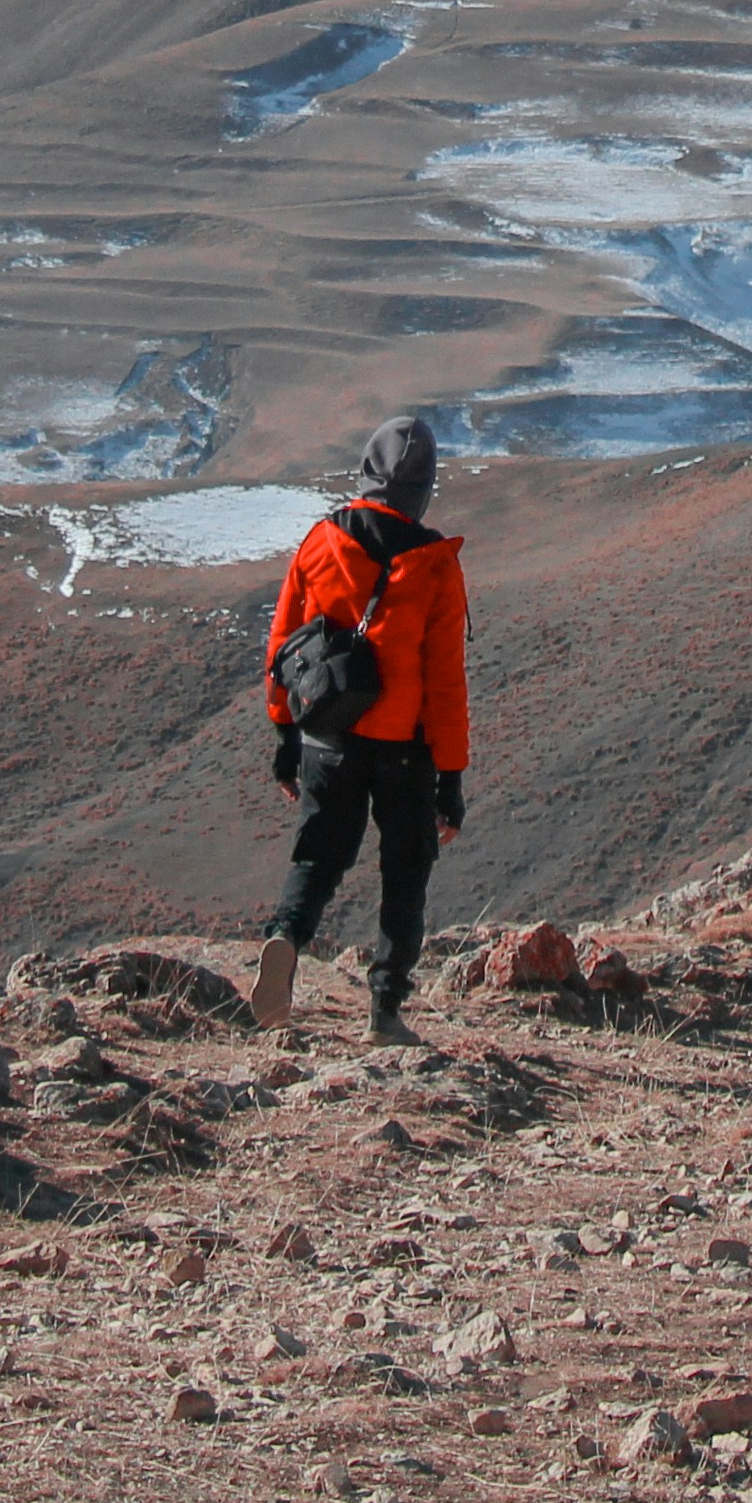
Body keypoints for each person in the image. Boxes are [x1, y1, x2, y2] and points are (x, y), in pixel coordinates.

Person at [253, 413, 470, 1040]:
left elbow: (285, 647)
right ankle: (386, 1009)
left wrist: (284, 734)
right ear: (424, 488)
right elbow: (446, 683)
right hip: (404, 751)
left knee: (318, 858)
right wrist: (450, 776)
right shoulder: (434, 565)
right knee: (405, 873)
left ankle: (286, 941)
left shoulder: (321, 540)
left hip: (329, 735)